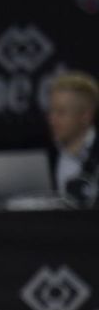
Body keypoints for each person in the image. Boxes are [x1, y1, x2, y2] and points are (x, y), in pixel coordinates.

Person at [46, 71, 99, 209]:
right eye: (51, 111)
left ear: (85, 116)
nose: (52, 120)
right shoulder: (44, 154)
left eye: (61, 112)